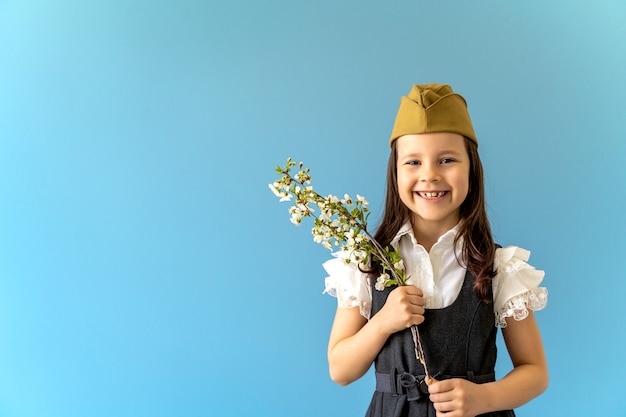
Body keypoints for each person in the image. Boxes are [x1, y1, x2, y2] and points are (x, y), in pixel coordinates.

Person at [323, 84, 548, 417]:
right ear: (395, 173)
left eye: (447, 160)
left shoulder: (499, 266)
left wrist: (485, 399)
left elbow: (535, 372)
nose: (429, 175)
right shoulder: (367, 264)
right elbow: (340, 370)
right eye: (413, 162)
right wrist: (382, 322)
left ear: (472, 169)